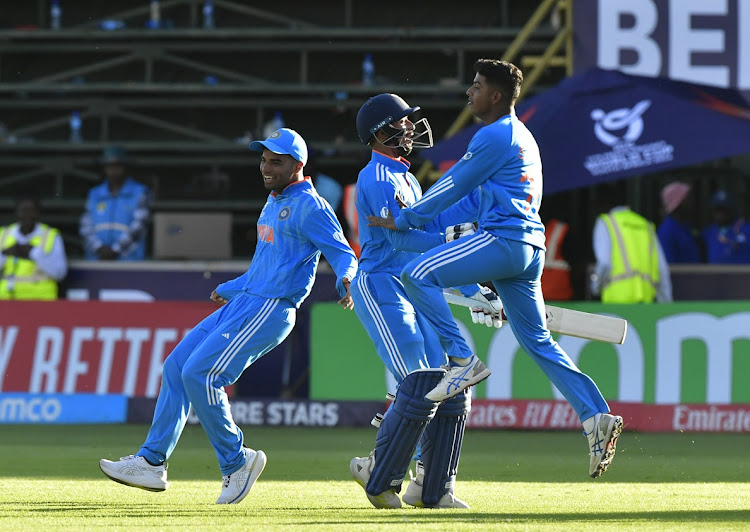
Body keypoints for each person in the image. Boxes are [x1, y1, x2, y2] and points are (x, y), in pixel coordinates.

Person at [367, 59, 622, 479]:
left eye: (477, 86)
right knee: (538, 342)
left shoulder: (493, 136)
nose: (469, 92)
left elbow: (454, 185)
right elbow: (470, 201)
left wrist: (408, 219)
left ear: (496, 96)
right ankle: (596, 415)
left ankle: (462, 360)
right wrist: (432, 224)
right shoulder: (522, 136)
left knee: (417, 275)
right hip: (527, 249)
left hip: (503, 241)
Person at [99, 128, 358, 505]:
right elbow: (264, 265)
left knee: (200, 374)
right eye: (264, 160)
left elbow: (342, 252)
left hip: (271, 308)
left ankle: (237, 462)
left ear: (298, 165)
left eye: (276, 162)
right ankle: (152, 463)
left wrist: (347, 280)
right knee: (176, 367)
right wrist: (232, 287)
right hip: (245, 301)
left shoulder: (311, 206)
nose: (266, 167)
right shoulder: (273, 200)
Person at [348, 93, 497, 510]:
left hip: (416, 287)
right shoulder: (376, 178)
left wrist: (474, 290)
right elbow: (400, 239)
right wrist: (452, 238)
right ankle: (377, 465)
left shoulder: (409, 179)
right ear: (381, 132)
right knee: (419, 383)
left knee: (452, 383)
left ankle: (431, 485)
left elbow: (429, 255)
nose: (412, 127)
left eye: (412, 121)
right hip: (381, 286)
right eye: (404, 122)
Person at [591, 182, 672, 303]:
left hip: (616, 301)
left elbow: (604, 263)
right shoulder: (646, 225)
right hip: (645, 303)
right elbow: (662, 270)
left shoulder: (605, 222)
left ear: (603, 203)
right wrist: (665, 304)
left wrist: (595, 287)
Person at [80, 145, 152, 261]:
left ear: (125, 167)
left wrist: (115, 250)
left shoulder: (139, 192)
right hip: (97, 260)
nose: (113, 171)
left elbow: (138, 227)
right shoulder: (95, 194)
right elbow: (86, 226)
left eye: (117, 166)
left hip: (129, 261)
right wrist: (98, 248)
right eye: (109, 166)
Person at [0, 194, 68, 300]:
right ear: (16, 212)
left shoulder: (51, 235)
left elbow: (60, 273)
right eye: (23, 210)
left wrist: (33, 253)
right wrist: (4, 254)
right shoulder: (3, 234)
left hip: (41, 299)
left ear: (38, 213)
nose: (27, 215)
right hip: (7, 298)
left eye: (31, 210)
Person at [656, 181, 702, 263]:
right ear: (679, 203)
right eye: (689, 199)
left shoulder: (685, 226)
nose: (693, 202)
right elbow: (668, 267)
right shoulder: (667, 232)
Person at [702, 189, 750, 263]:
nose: (721, 214)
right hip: (714, 273)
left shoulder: (746, 229)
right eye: (718, 209)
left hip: (742, 273)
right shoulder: (707, 233)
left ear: (732, 210)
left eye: (724, 209)